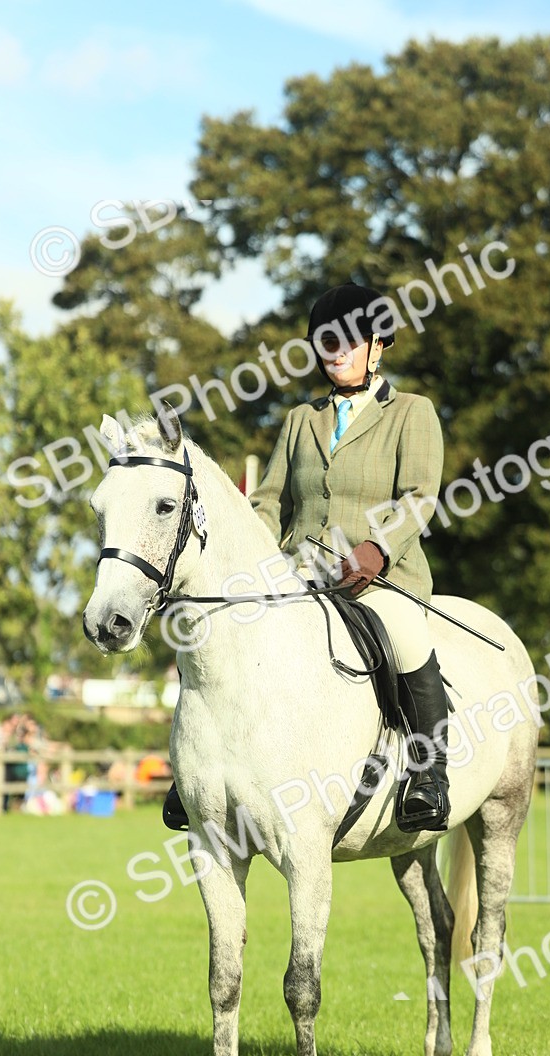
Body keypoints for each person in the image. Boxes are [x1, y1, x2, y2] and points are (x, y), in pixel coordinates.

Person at [162, 282, 449, 834]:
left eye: (347, 340)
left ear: (377, 344)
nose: (335, 351)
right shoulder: (300, 420)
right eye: (325, 341)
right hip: (299, 572)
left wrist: (377, 548)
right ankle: (195, 774)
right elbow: (268, 502)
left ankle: (428, 773)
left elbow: (420, 497)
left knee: (407, 637)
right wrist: (243, 560)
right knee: (212, 632)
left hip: (379, 579)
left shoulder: (412, 413)